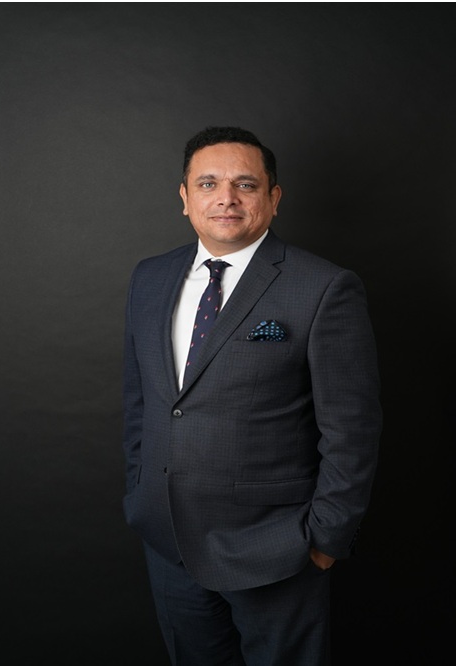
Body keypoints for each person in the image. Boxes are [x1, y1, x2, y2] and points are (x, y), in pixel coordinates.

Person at [121, 126, 382, 665]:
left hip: (276, 548)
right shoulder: (150, 278)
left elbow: (352, 429)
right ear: (185, 197)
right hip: (168, 541)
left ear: (273, 197)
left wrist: (326, 539)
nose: (226, 198)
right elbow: (141, 402)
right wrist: (139, 494)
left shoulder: (323, 287)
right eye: (208, 183)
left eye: (245, 184)